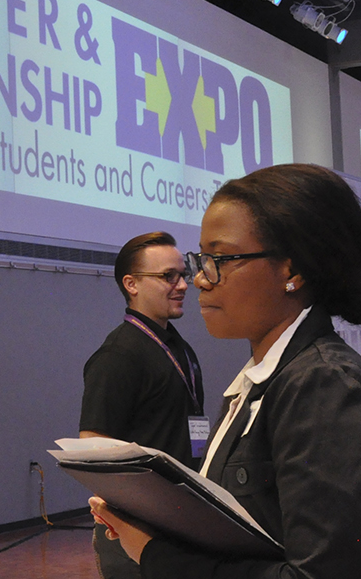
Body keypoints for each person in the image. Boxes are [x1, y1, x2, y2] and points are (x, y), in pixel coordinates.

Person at [90, 163, 361, 578]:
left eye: (220, 259)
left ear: (293, 270)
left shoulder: (325, 386)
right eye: (202, 259)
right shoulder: (269, 380)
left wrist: (158, 555)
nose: (199, 281)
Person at [79, 231, 206, 579]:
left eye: (183, 273)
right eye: (168, 276)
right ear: (131, 284)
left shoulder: (179, 347)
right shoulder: (118, 355)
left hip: (183, 520)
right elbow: (94, 445)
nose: (183, 284)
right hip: (138, 532)